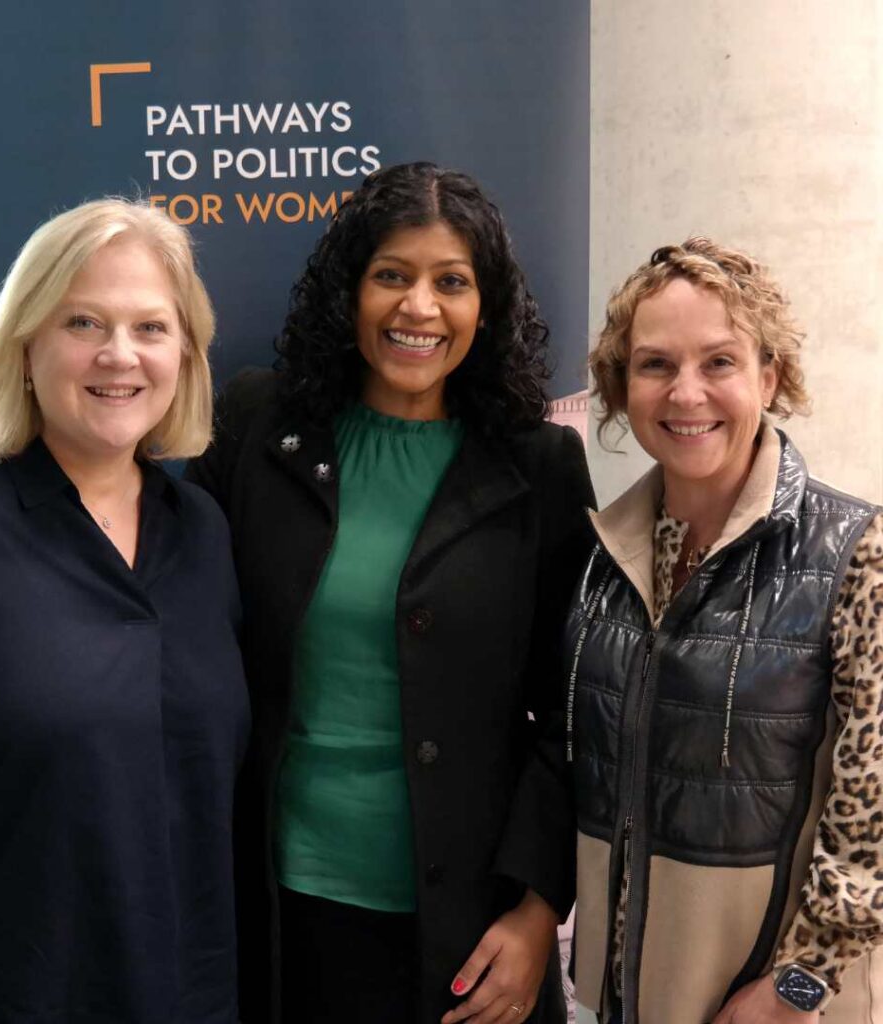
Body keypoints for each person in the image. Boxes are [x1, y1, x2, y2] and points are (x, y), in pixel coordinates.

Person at [186, 162, 595, 1024]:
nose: (420, 308)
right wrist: (19, 456)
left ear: (486, 307)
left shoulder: (537, 465)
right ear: (350, 294)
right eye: (391, 277)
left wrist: (536, 912)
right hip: (281, 909)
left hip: (468, 929)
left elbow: (573, 712)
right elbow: (148, 546)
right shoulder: (260, 426)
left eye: (452, 282)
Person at [0, 199, 249, 1023]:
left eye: (151, 327)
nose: (120, 355)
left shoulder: (203, 535)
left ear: (186, 351)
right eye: (84, 322)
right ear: (25, 345)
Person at [569, 238, 883, 1023]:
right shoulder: (605, 560)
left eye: (719, 362)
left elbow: (872, 819)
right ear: (620, 384)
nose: (686, 394)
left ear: (768, 376)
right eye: (654, 365)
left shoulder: (857, 555)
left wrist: (798, 986)